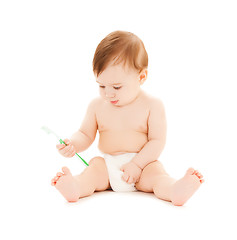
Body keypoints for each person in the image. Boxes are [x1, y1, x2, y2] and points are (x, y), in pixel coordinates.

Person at [51, 31, 204, 206]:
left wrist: (137, 165)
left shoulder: (152, 105)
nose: (108, 93)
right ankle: (76, 187)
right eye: (101, 85)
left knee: (157, 176)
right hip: (108, 166)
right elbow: (85, 134)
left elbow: (157, 141)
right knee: (93, 170)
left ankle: (174, 190)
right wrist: (73, 144)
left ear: (141, 77)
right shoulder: (97, 106)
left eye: (116, 86)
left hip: (142, 164)